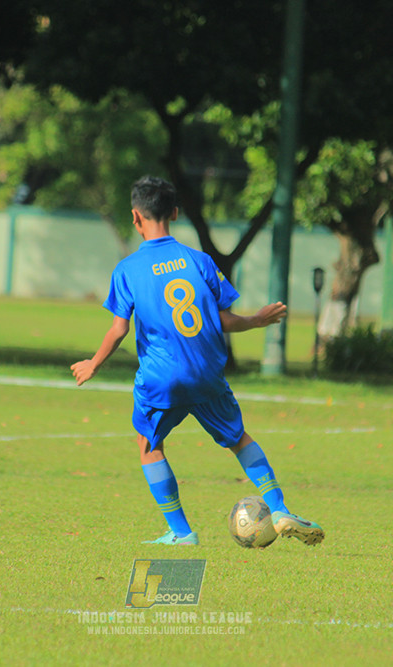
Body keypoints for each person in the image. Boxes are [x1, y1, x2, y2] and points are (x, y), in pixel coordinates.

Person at [71, 176, 324, 547]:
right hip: (206, 372)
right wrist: (256, 320)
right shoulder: (199, 261)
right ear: (174, 213)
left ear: (135, 218)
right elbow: (220, 319)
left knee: (148, 445)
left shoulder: (127, 269)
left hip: (161, 378)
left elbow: (118, 329)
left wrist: (93, 363)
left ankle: (181, 532)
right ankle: (280, 508)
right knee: (238, 438)